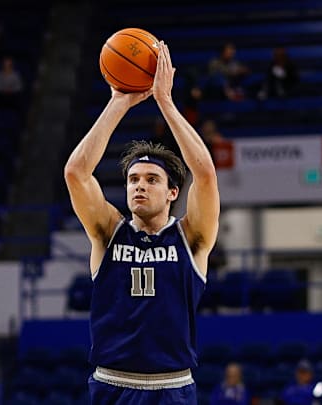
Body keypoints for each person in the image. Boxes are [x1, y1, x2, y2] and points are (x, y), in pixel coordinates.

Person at [64, 41, 219, 404]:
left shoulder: (191, 237)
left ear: (172, 193)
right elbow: (75, 172)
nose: (139, 187)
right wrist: (118, 101)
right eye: (134, 179)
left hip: (173, 387)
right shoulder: (108, 231)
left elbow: (206, 174)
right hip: (112, 384)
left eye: (151, 180)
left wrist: (165, 102)